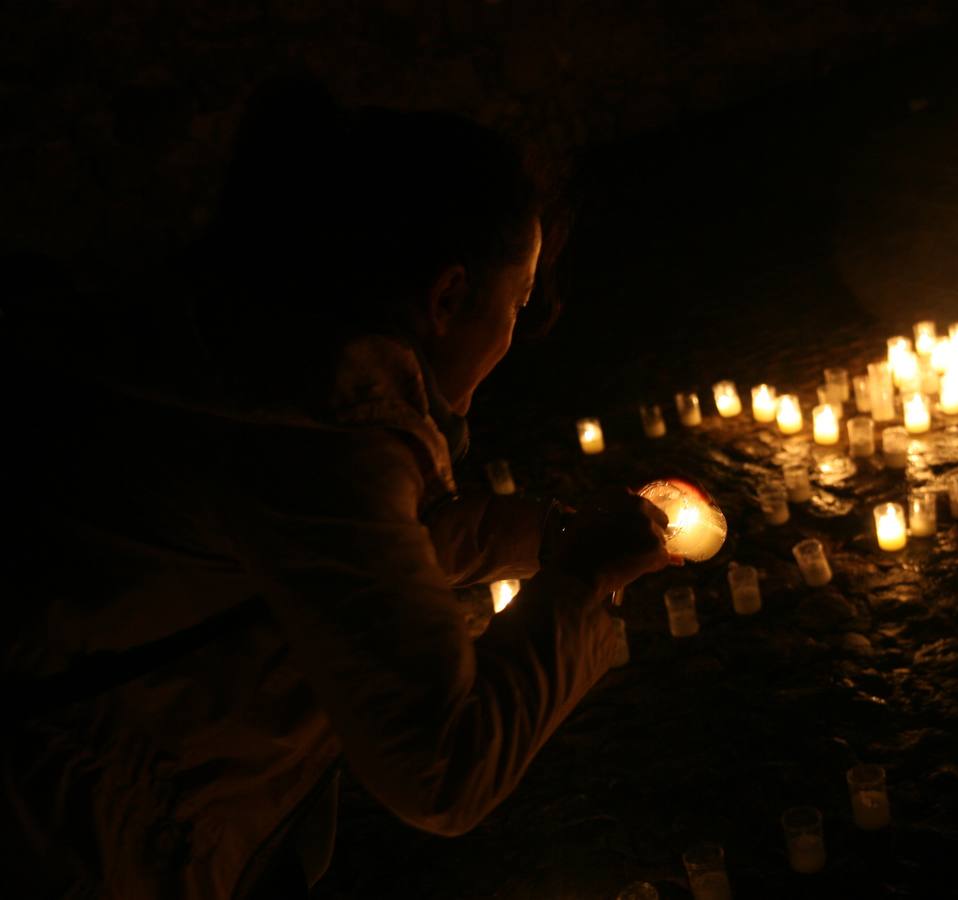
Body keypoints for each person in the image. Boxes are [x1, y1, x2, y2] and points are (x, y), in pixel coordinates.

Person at [0, 79, 672, 899]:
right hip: (79, 834)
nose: (515, 333)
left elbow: (375, 548)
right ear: (449, 296)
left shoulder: (240, 351)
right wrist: (583, 586)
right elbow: (441, 771)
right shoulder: (323, 432)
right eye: (518, 300)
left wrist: (546, 534)